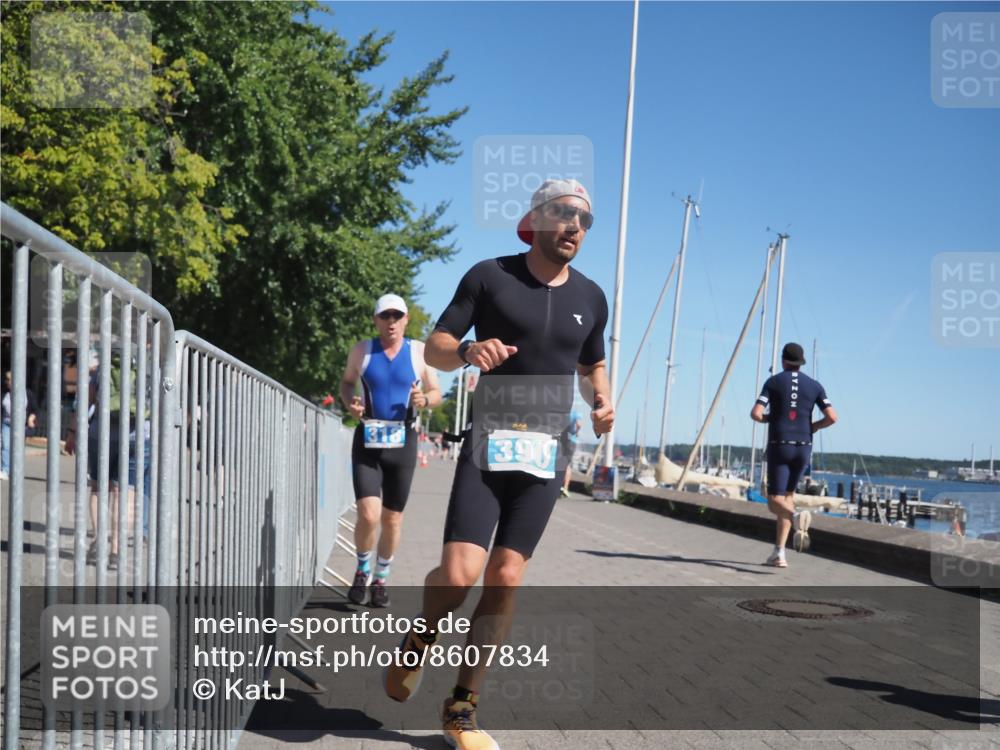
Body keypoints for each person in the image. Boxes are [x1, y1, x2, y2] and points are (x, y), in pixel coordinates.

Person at [384, 178, 614, 750]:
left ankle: (462, 707)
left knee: (506, 577)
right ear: (535, 218)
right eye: (564, 214)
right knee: (459, 576)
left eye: (584, 221)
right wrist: (466, 352)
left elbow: (592, 368)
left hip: (545, 457)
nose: (574, 228)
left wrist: (603, 403)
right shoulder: (490, 275)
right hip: (489, 446)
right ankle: (422, 635)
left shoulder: (591, 297)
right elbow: (435, 343)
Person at [340, 294, 442, 607]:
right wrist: (350, 404)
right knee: (369, 515)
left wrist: (426, 399)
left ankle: (381, 578)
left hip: (403, 443)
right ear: (376, 320)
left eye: (397, 316)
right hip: (369, 440)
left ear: (406, 319)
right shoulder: (362, 349)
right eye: (385, 316)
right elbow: (347, 383)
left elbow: (436, 390)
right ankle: (362, 569)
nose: (392, 322)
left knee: (393, 519)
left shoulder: (419, 351)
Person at [750, 342, 837, 567]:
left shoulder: (773, 382)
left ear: (783, 361)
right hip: (803, 447)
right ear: (801, 363)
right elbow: (832, 417)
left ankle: (797, 517)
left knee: (774, 501)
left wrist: (772, 418)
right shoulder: (815, 385)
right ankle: (779, 553)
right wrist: (814, 426)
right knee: (786, 498)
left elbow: (756, 414)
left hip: (780, 444)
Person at [2, 370, 38, 481]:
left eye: (10, 380)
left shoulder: (27, 394)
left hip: (21, 425)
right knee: (6, 446)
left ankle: (16, 471)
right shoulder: (4, 393)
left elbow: (35, 409)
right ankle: (5, 470)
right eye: (7, 379)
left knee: (18, 449)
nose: (8, 382)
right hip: (6, 423)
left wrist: (32, 418)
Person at [560, 409, 582, 497]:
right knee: (567, 465)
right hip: (571, 440)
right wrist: (576, 433)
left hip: (561, 440)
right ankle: (565, 488)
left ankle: (558, 486)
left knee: (559, 463)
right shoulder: (576, 412)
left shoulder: (563, 412)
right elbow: (579, 424)